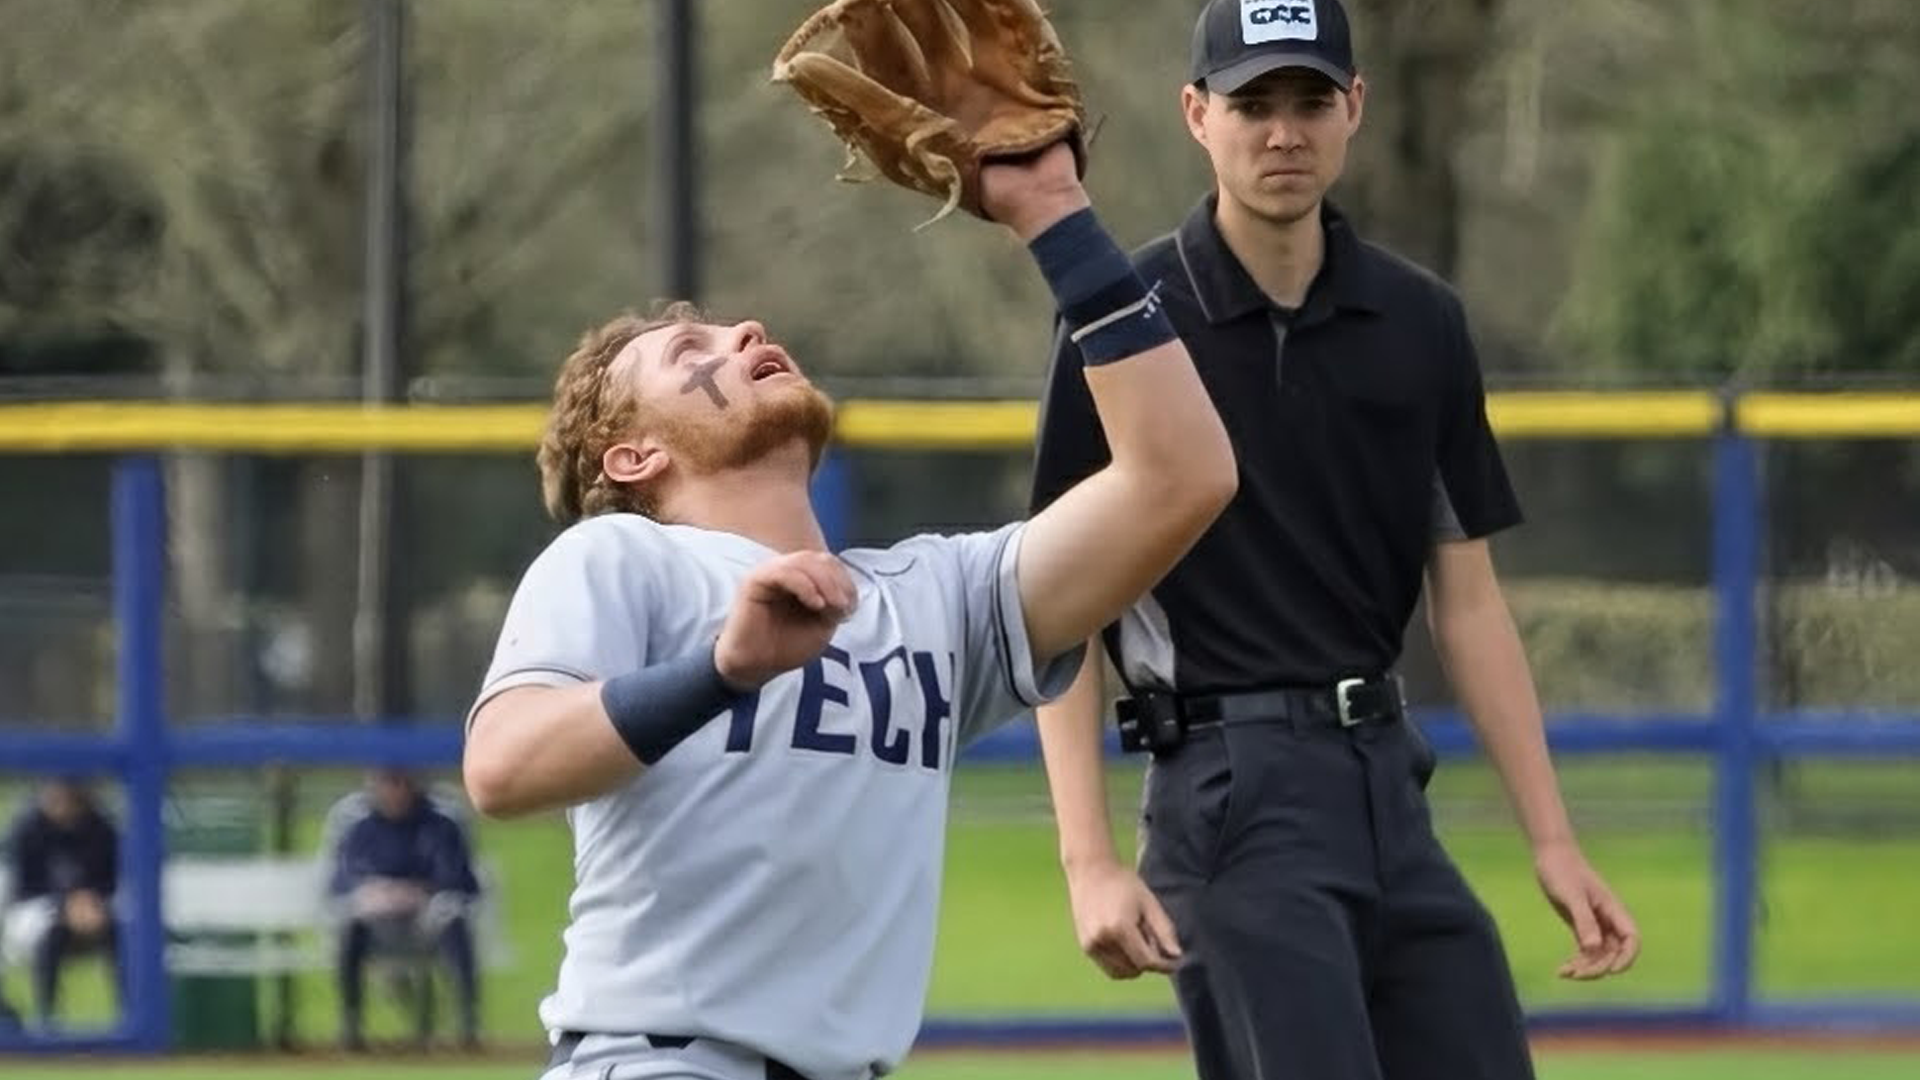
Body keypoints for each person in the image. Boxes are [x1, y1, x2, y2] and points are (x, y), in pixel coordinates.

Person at [461, 138, 1236, 1080]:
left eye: (733, 328)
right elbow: (501, 769)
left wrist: (1053, 211)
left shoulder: (939, 596)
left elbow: (1183, 475)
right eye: (689, 352)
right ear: (632, 457)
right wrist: (722, 670)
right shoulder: (622, 556)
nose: (742, 331)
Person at [1027, 3, 1641, 1079]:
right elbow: (1056, 609)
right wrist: (1085, 859)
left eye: (1311, 101)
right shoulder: (1122, 320)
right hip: (1228, 798)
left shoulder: (1423, 323)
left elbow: (1470, 603)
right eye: (1251, 104)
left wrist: (1551, 837)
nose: (1283, 132)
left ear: (1355, 107)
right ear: (1194, 115)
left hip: (1387, 788)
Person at [327, 768, 482, 1051]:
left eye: (401, 782)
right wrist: (375, 892)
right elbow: (340, 881)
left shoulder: (441, 822)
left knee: (452, 918)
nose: (395, 790)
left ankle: (467, 1027)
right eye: (387, 782)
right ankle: (351, 1028)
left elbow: (462, 879)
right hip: (377, 920)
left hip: (426, 916)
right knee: (351, 925)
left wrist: (420, 891)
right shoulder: (358, 824)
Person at [1, 777, 122, 1029]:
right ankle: (47, 1020)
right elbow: (22, 889)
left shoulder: (100, 827)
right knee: (51, 931)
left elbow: (112, 881)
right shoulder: (27, 827)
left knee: (122, 932)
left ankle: (130, 1015)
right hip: (33, 911)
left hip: (92, 910)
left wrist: (90, 903)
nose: (60, 800)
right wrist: (64, 905)